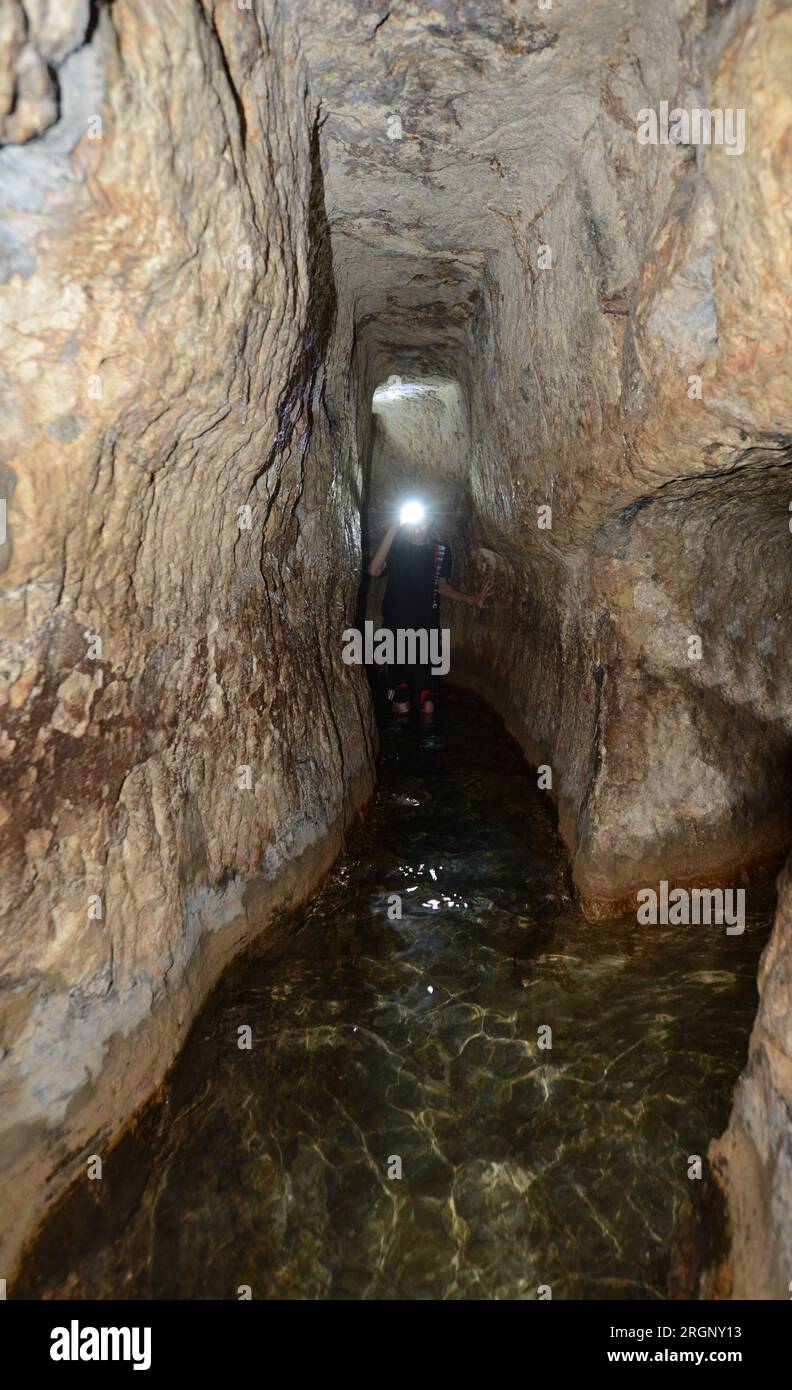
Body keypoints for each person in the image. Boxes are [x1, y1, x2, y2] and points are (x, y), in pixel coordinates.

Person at [367, 503, 493, 725]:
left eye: (424, 519)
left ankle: (428, 749)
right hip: (396, 632)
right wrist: (394, 527)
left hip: (426, 631)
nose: (419, 525)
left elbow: (442, 587)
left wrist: (472, 600)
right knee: (402, 702)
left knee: (428, 704)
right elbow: (374, 570)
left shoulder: (440, 550)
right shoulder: (396, 545)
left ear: (431, 521)